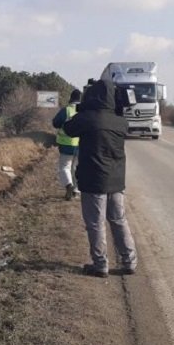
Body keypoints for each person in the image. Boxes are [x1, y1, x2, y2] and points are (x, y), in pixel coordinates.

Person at [62, 79, 137, 278]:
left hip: (94, 178)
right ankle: (129, 261)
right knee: (119, 220)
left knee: (95, 223)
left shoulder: (88, 117)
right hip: (116, 179)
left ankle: (100, 264)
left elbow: (68, 128)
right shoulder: (120, 121)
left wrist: (82, 108)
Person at [52, 89, 82, 200]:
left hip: (66, 145)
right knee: (76, 168)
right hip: (81, 145)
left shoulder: (66, 110)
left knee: (65, 167)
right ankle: (76, 190)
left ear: (71, 98)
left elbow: (55, 123)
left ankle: (68, 185)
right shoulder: (84, 111)